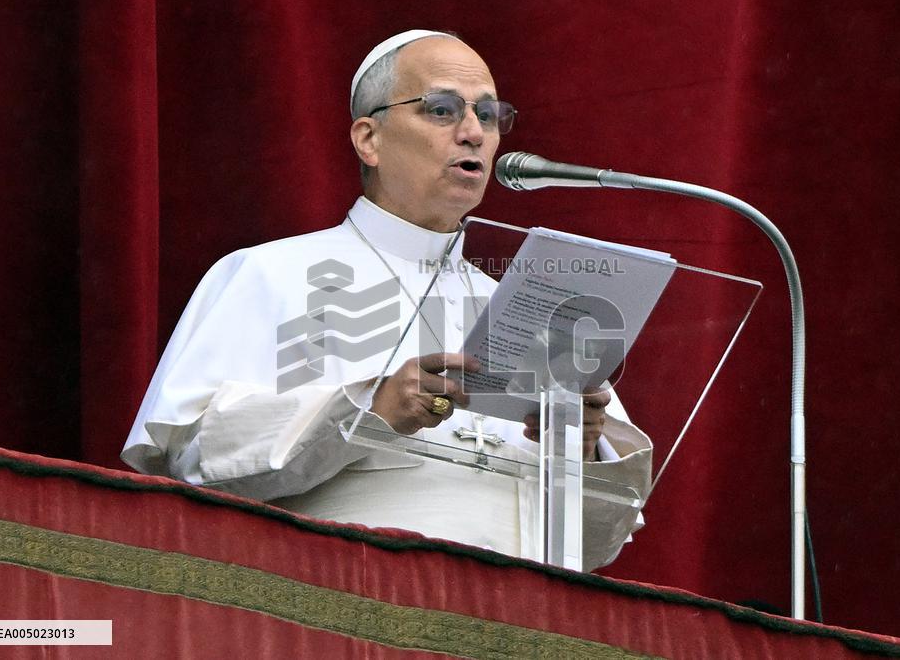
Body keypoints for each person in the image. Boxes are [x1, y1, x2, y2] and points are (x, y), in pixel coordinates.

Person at [122, 30, 652, 570]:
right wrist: (369, 409)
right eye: (442, 110)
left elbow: (596, 547)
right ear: (369, 139)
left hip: (519, 617)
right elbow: (186, 454)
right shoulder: (269, 273)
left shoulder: (522, 307)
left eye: (488, 116)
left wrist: (581, 451)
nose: (473, 133)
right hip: (344, 597)